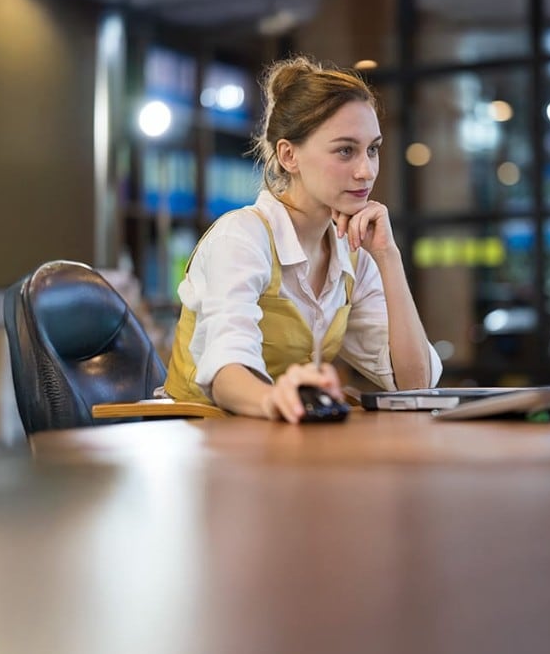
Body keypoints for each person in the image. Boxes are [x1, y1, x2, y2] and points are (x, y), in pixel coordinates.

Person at [162, 56, 441, 422]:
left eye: (372, 149)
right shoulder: (242, 236)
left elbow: (415, 387)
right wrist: (278, 400)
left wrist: (388, 257)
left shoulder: (353, 252)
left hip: (279, 441)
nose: (366, 170)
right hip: (196, 438)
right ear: (289, 155)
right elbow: (227, 372)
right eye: (345, 150)